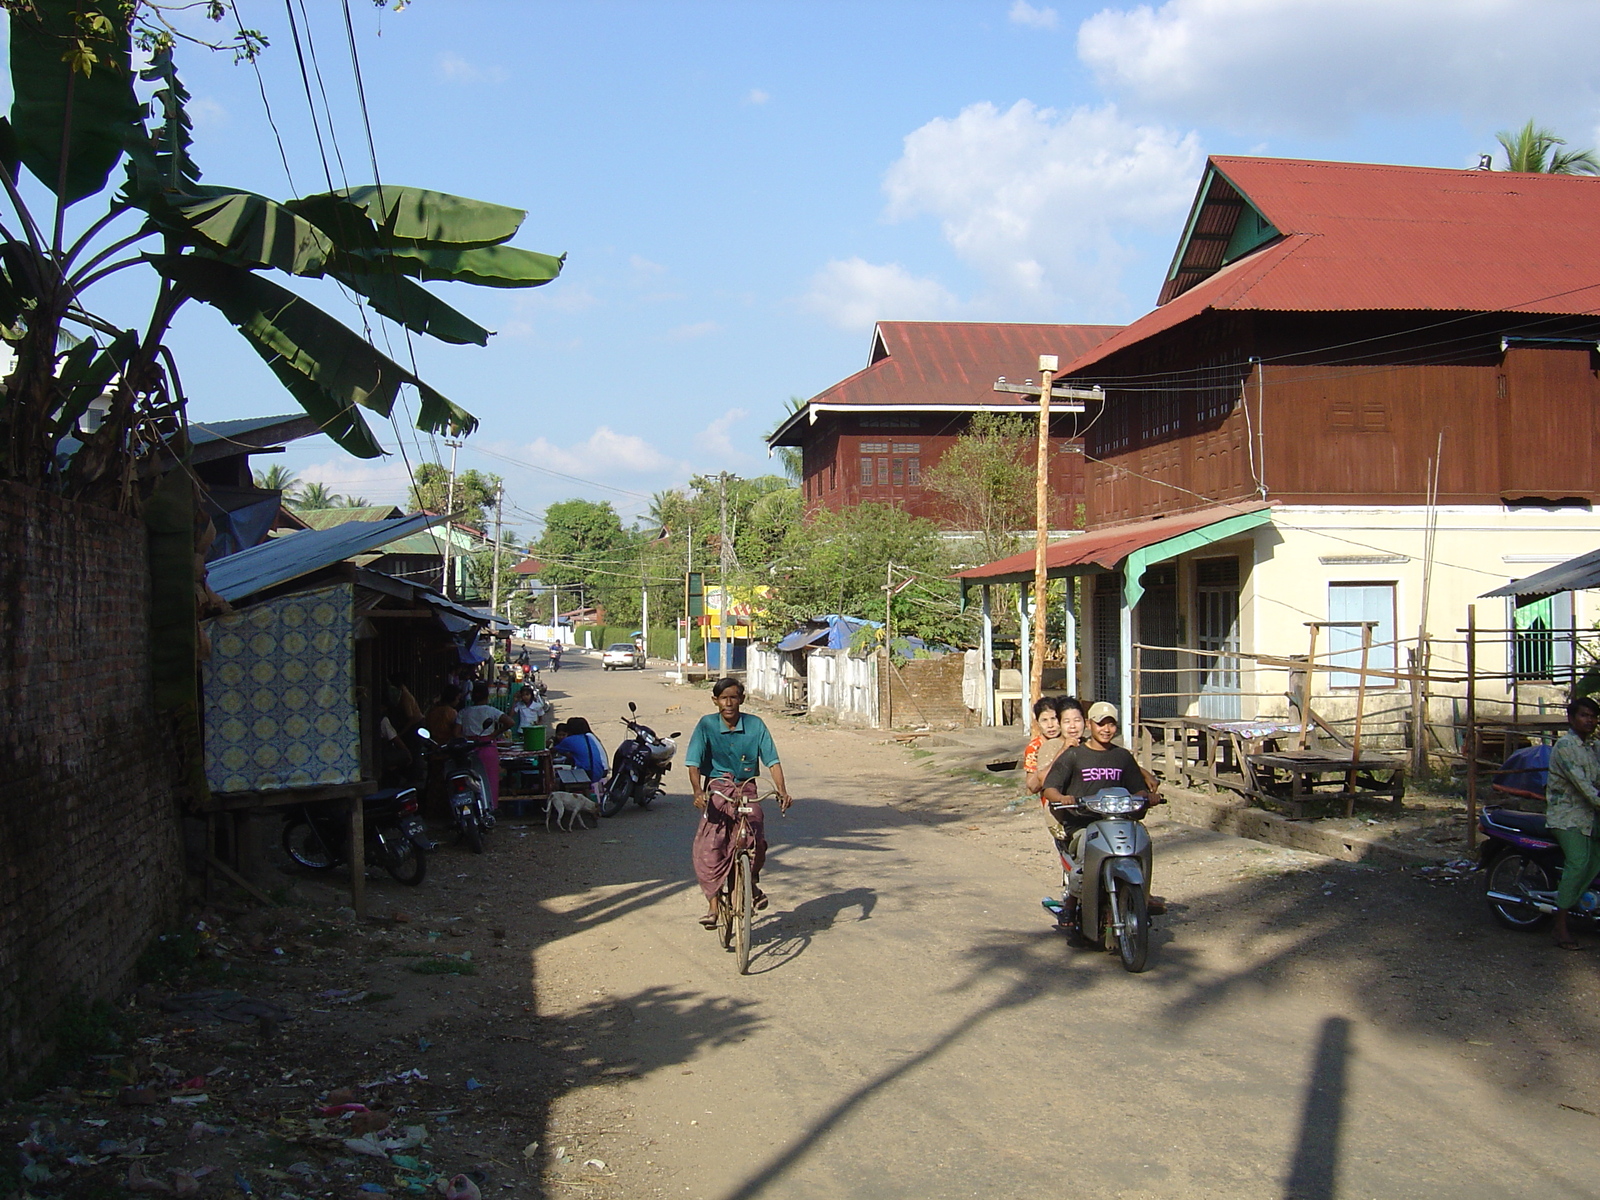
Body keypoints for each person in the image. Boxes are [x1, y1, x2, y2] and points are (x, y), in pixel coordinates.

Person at [1040, 701, 1160, 935]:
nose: (1106, 729)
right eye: (1100, 723)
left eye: (1111, 724)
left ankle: (1141, 898)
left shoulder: (1122, 757)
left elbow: (1138, 788)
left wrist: (1147, 797)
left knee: (1142, 841)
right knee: (1086, 849)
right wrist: (1062, 798)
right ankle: (1071, 904)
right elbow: (1049, 788)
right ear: (1090, 725)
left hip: (1118, 821)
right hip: (1084, 823)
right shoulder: (1074, 755)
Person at [686, 678, 792, 928]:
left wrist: (782, 791)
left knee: (755, 831)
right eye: (724, 698)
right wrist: (697, 791)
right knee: (712, 844)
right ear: (715, 701)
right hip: (718, 787)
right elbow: (693, 763)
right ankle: (713, 907)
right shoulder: (706, 725)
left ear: (742, 700)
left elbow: (772, 761)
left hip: (747, 786)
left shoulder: (755, 725)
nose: (729, 703)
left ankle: (751, 880)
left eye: (734, 697)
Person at [1546, 696, 1600, 950]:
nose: (1589, 720)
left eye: (1593, 716)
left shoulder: (1593, 746)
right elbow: (1585, 787)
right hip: (1567, 816)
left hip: (1590, 815)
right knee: (1579, 863)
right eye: (1584, 715)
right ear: (1571, 718)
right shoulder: (1566, 746)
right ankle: (1560, 925)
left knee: (1596, 862)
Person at [457, 680, 512, 810]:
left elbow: (455, 733)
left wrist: (467, 737)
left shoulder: (464, 712)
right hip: (487, 748)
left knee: (469, 781)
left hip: (468, 749)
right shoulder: (490, 710)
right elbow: (509, 722)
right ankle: (490, 808)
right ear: (487, 696)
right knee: (490, 780)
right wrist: (493, 735)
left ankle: (471, 808)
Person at [553, 716, 607, 794]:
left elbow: (553, 751)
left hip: (589, 773)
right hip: (599, 771)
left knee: (559, 779)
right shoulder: (589, 737)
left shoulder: (571, 740)